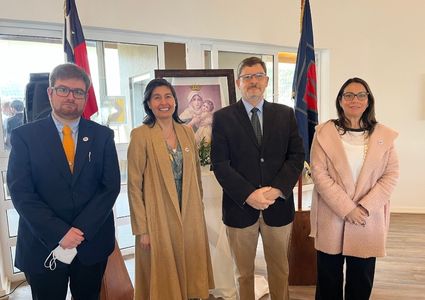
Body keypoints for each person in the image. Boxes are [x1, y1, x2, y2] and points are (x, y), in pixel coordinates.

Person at [6, 63, 121, 300]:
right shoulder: (25, 137)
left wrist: (79, 231)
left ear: (85, 97)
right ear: (50, 93)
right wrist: (60, 232)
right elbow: (22, 193)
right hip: (43, 244)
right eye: (63, 90)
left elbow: (109, 187)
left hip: (91, 243)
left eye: (78, 92)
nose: (71, 97)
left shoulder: (102, 136)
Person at [211, 57, 305, 300]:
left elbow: (296, 156)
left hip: (279, 206)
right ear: (238, 82)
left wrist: (276, 190)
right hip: (240, 208)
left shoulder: (285, 114)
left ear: (267, 80)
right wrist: (249, 195)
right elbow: (220, 164)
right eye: (247, 77)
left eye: (258, 76)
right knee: (243, 273)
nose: (253, 81)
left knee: (280, 270)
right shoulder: (222, 118)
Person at [309, 77, 400, 300]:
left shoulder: (384, 136)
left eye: (361, 95)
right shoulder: (323, 133)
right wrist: (347, 208)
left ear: (368, 101)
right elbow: (319, 174)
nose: (355, 100)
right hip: (332, 215)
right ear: (340, 101)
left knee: (361, 280)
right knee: (328, 280)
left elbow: (391, 175)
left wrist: (364, 208)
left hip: (367, 218)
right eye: (348, 95)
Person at [127, 78, 214, 299]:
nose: (163, 102)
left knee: (191, 273)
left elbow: (195, 174)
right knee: (164, 279)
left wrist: (198, 211)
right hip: (158, 217)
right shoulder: (140, 135)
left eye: (168, 96)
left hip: (189, 214)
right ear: (148, 103)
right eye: (157, 97)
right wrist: (142, 229)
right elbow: (134, 186)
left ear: (175, 101)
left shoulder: (186, 132)